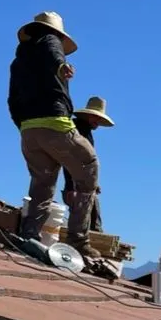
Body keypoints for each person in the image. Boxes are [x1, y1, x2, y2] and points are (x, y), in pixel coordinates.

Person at [7, 11, 101, 259]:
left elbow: (12, 100)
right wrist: (61, 66)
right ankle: (78, 239)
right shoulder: (51, 41)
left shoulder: (17, 63)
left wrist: (25, 127)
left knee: (43, 184)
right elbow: (54, 53)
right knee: (89, 167)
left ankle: (30, 235)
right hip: (55, 123)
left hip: (29, 130)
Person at [63, 96, 114, 233]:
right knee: (83, 219)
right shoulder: (77, 129)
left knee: (91, 214)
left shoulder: (87, 132)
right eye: (95, 118)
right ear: (87, 115)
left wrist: (94, 182)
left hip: (83, 183)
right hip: (76, 184)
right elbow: (69, 159)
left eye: (99, 119)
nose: (97, 122)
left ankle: (93, 237)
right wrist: (70, 187)